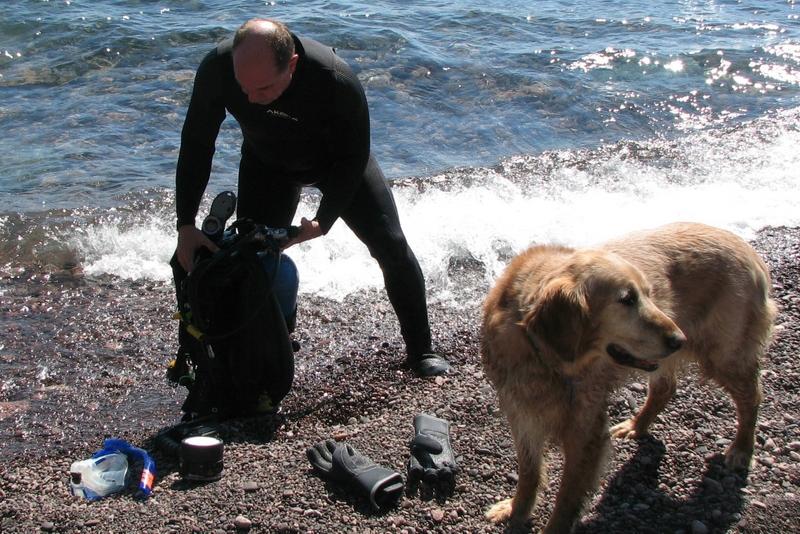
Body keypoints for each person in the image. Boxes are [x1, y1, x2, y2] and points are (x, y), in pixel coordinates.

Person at [171, 18, 450, 377]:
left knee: (391, 245)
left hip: (338, 164)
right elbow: (196, 144)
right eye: (244, 89)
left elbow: (355, 155)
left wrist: (324, 219)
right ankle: (271, 351)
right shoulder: (218, 68)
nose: (251, 99)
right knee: (251, 263)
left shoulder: (335, 79)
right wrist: (185, 224)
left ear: (292, 65)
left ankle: (421, 350)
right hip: (266, 165)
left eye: (264, 89)